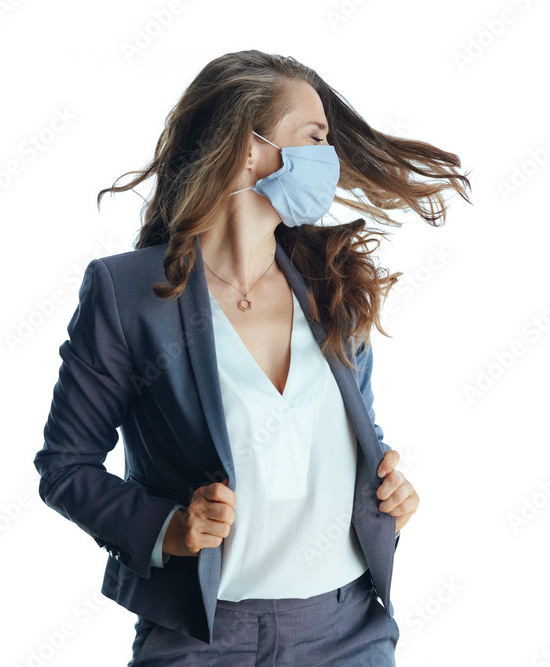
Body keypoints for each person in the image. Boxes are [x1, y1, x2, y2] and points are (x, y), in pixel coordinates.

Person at [33, 49, 470, 666]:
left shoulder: (333, 288)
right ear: (248, 147)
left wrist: (388, 494)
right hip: (202, 639)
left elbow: (356, 435)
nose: (329, 158)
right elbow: (65, 465)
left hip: (346, 631)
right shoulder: (128, 294)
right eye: (315, 138)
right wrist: (169, 529)